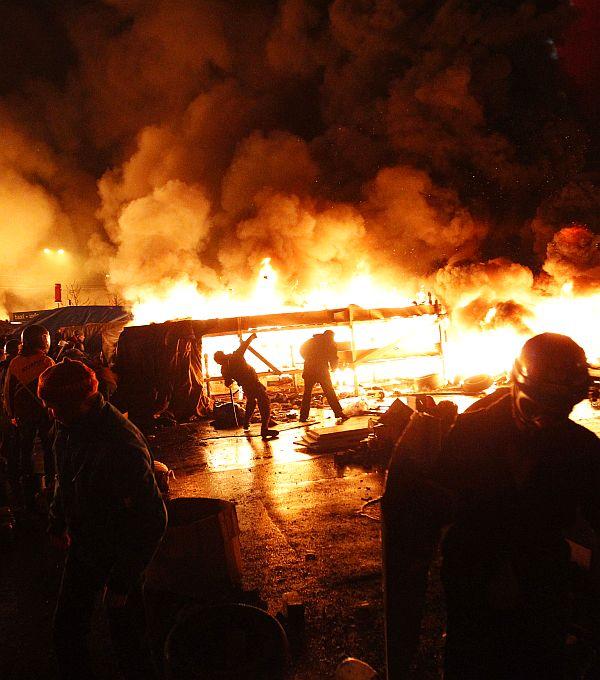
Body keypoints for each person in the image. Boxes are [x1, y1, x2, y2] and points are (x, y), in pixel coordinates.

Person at [386, 333, 600, 679]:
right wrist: (418, 465)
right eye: (535, 406)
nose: (544, 422)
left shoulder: (581, 448)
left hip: (542, 579)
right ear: (515, 382)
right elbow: (417, 513)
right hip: (473, 575)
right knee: (472, 663)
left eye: (559, 410)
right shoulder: (465, 433)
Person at [39, 358, 167, 680]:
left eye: (57, 407)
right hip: (85, 545)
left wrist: (123, 580)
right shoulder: (67, 424)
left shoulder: (121, 444)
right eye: (50, 406)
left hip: (120, 549)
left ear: (84, 400)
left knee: (129, 642)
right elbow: (63, 476)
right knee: (66, 631)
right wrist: (57, 520)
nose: (52, 414)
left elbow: (153, 517)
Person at [3, 324, 55, 509]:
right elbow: (53, 388)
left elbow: (7, 390)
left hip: (23, 414)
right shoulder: (47, 361)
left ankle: (28, 481)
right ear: (43, 339)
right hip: (44, 413)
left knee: (26, 447)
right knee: (49, 447)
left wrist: (11, 413)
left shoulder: (15, 363)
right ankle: (51, 480)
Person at [213, 333, 278, 440]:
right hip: (253, 384)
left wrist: (228, 380)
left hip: (246, 386)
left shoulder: (225, 368)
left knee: (251, 402)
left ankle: (246, 423)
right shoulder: (235, 356)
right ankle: (264, 429)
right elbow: (244, 345)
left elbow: (228, 382)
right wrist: (252, 336)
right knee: (264, 403)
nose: (219, 364)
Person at [299, 329, 346, 422]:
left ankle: (303, 416)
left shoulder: (311, 341)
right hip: (322, 371)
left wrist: (308, 359)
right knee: (329, 392)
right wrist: (334, 368)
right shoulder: (330, 343)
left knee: (307, 394)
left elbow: (301, 350)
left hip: (309, 370)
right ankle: (338, 412)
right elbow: (333, 357)